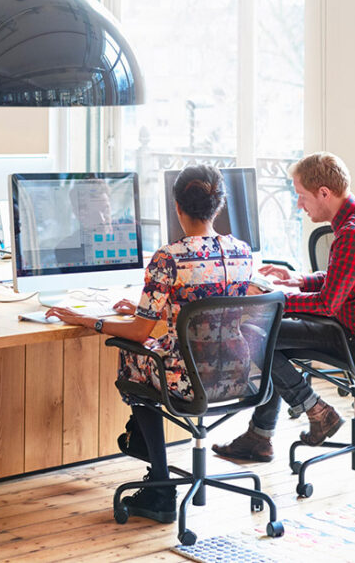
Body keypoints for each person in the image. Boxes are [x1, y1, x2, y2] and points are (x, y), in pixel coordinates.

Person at [45, 165, 254, 524]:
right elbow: (201, 309)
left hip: (185, 378)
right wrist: (145, 308)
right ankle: (143, 446)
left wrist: (87, 320)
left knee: (133, 358)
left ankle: (159, 484)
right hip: (235, 372)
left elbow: (140, 334)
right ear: (218, 207)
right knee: (153, 352)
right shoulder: (242, 252)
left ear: (177, 207)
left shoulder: (169, 257)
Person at [212, 152, 355, 463]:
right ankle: (260, 437)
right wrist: (298, 280)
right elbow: (349, 279)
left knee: (256, 334)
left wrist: (273, 300)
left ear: (324, 193)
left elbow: (328, 304)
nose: (299, 205)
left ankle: (316, 412)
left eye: (301, 197)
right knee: (270, 337)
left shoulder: (353, 235)